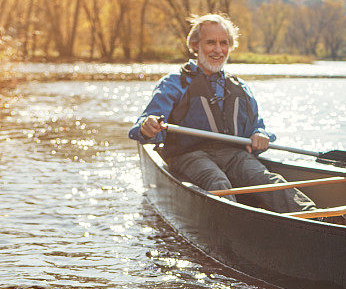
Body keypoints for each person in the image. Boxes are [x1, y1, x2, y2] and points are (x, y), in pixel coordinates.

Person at [129, 13, 316, 212]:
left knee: (268, 180)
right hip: (189, 155)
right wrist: (147, 127)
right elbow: (141, 127)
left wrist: (260, 135)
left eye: (224, 43)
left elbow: (257, 127)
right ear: (195, 45)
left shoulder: (240, 86)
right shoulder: (174, 83)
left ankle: (314, 217)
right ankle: (237, 227)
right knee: (217, 180)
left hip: (233, 155)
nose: (218, 50)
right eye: (211, 43)